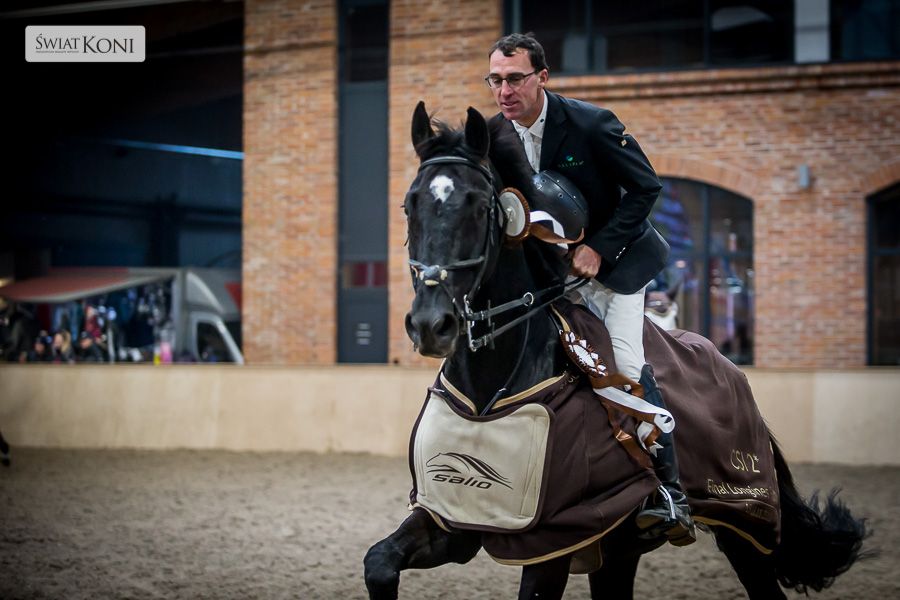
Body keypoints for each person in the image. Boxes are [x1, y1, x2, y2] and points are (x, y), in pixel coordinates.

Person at [485, 33, 694, 546]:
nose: (504, 91)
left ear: (542, 77)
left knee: (622, 365)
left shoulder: (591, 123)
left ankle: (670, 493)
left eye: (515, 79)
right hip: (553, 278)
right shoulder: (493, 136)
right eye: (495, 80)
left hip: (615, 268)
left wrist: (599, 247)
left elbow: (646, 188)